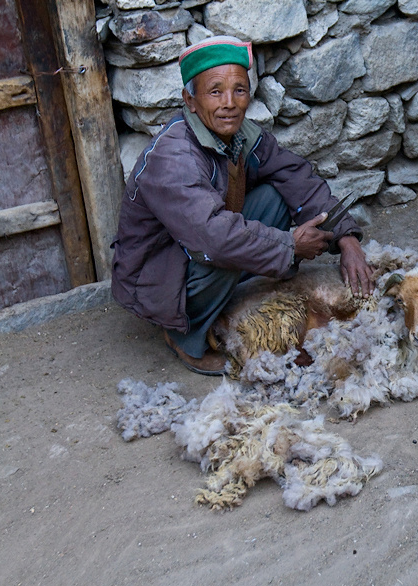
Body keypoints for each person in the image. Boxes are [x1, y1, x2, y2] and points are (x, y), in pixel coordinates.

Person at [111, 36, 374, 375]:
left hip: (195, 246)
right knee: (223, 248)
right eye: (215, 91)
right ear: (190, 100)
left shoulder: (242, 135)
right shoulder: (174, 156)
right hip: (154, 277)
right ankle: (185, 334)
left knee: (279, 194)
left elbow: (294, 175)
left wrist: (346, 238)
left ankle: (223, 296)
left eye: (239, 90)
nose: (230, 103)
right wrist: (289, 246)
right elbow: (212, 237)